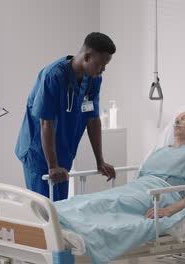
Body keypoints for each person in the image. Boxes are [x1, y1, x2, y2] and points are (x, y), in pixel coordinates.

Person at [55, 112, 185, 263]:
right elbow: (139, 180)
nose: (178, 121)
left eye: (184, 119)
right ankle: (57, 215)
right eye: (176, 119)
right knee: (96, 199)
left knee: (112, 203)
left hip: (161, 195)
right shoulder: (159, 152)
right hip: (138, 188)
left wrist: (169, 210)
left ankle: (66, 225)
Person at [15, 32, 117, 201]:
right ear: (87, 57)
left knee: (59, 210)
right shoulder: (53, 75)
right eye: (100, 64)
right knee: (45, 211)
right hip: (39, 153)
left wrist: (100, 161)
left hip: (63, 153)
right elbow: (46, 123)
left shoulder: (93, 80)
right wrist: (52, 165)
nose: (103, 70)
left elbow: (92, 119)